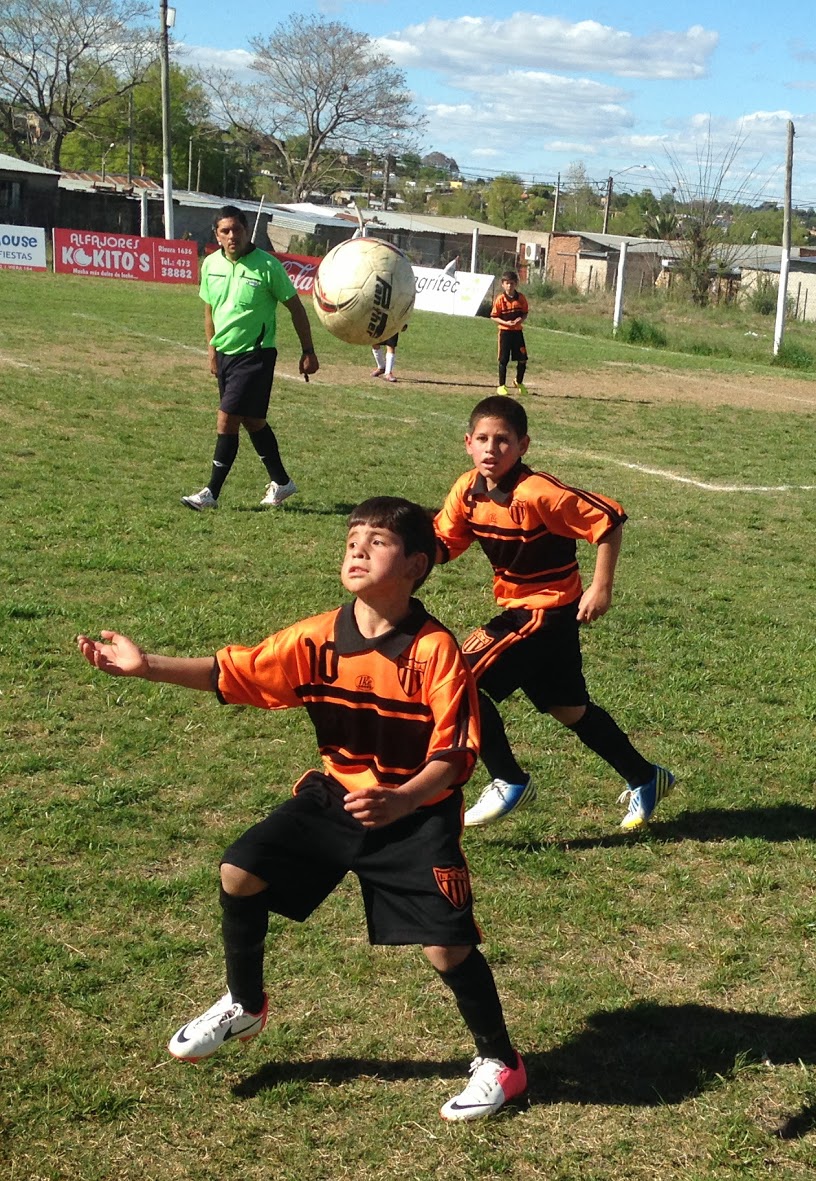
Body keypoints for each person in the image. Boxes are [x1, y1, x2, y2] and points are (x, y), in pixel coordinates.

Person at [75, 498, 526, 1122]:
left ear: (417, 565)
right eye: (351, 540)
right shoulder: (315, 638)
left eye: (376, 542)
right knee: (240, 870)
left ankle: (501, 1063)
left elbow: (453, 758)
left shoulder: (436, 651)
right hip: (337, 794)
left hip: (414, 810)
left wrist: (400, 800)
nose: (357, 550)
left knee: (444, 950)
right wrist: (146, 666)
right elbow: (232, 673)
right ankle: (245, 1003)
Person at [434, 394, 674, 830]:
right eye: (483, 439)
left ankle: (509, 779)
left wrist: (601, 587)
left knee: (457, 678)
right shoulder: (467, 491)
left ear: (523, 446)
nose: (492, 449)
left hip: (540, 614)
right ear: (468, 442)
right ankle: (646, 777)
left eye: (503, 441)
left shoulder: (537, 491)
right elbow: (442, 544)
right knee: (569, 709)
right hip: (542, 618)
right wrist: (395, 555)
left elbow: (608, 520)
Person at [182, 205, 318, 512]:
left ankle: (210, 493)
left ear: (247, 230)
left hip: (256, 355)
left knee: (226, 418)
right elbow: (209, 310)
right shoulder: (211, 264)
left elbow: (296, 308)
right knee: (253, 421)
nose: (232, 236)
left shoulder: (268, 266)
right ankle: (282, 482)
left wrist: (308, 351)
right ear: (216, 235)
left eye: (237, 229)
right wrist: (211, 349)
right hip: (225, 354)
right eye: (225, 231)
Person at [490, 271, 529, 397]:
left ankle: (519, 382)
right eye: (507, 283)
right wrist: (506, 323)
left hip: (517, 333)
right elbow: (494, 316)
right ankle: (501, 385)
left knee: (522, 359)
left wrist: (520, 320)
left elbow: (524, 313)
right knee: (503, 360)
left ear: (516, 284)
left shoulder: (521, 298)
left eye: (512, 283)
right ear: (502, 284)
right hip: (505, 333)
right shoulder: (500, 299)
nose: (509, 286)